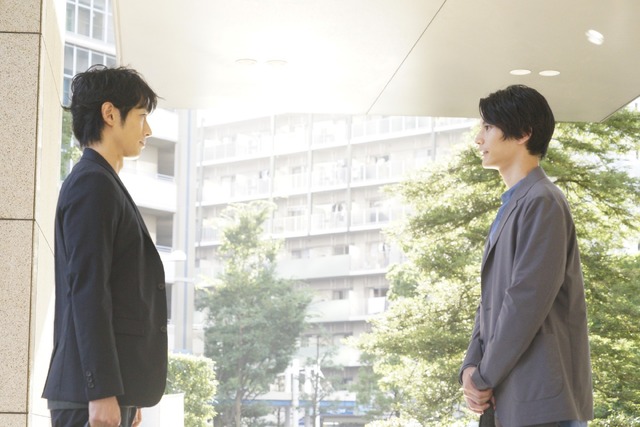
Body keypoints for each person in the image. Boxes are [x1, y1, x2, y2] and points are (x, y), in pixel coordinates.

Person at [459, 85, 593, 427]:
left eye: (488, 127)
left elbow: (526, 301)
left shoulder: (543, 201)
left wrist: (483, 376)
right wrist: (470, 367)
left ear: (523, 133)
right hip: (512, 399)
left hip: (543, 403)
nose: (478, 139)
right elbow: (490, 303)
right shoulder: (514, 206)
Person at [43, 65, 168, 427]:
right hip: (89, 396)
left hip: (106, 392)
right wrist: (102, 391)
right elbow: (89, 290)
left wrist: (127, 391)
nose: (148, 129)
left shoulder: (102, 182)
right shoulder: (92, 184)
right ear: (110, 114)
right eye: (142, 115)